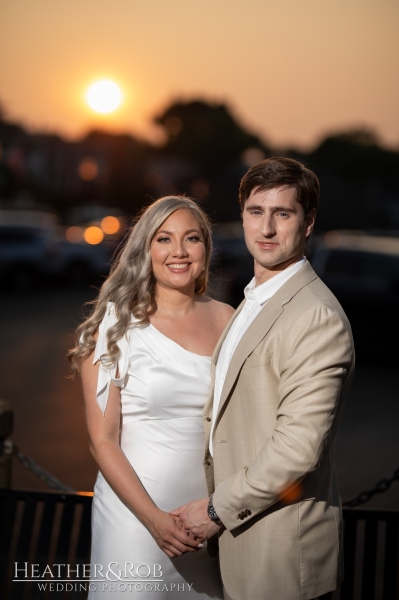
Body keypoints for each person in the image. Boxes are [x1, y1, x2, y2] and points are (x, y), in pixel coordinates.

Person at [171, 158, 355, 600]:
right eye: (256, 212)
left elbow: (298, 447)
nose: (267, 228)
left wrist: (215, 510)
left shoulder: (316, 317)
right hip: (244, 543)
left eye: (283, 213)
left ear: (308, 223)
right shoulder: (252, 298)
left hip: (281, 553)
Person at [68, 196, 234, 599]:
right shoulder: (113, 327)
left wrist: (221, 510)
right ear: (146, 248)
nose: (178, 251)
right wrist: (154, 520)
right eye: (164, 239)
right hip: (137, 521)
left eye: (191, 238)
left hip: (210, 523)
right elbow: (102, 441)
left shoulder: (231, 318)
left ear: (205, 249)